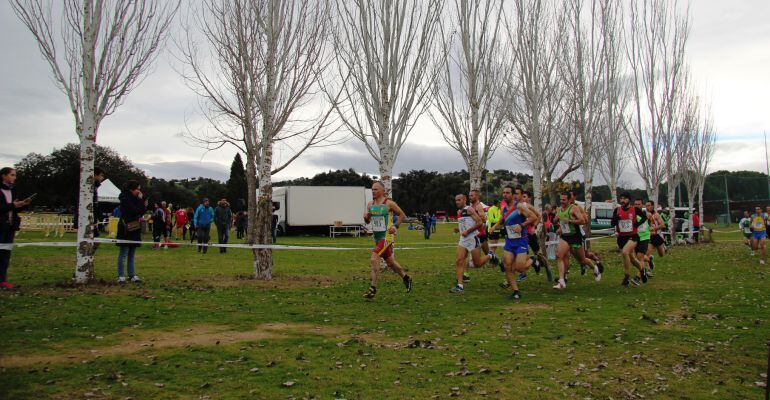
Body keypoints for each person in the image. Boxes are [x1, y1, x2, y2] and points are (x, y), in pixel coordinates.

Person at [362, 181, 413, 299]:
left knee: (374, 258)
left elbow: (402, 215)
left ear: (383, 191)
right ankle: (406, 278)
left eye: (376, 189)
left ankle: (372, 288)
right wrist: (366, 218)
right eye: (372, 189)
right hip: (377, 237)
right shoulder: (370, 204)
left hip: (387, 237)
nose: (373, 191)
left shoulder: (389, 204)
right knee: (391, 263)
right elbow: (368, 221)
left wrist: (395, 226)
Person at [491, 186, 539, 300]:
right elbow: (503, 220)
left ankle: (533, 259)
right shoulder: (504, 208)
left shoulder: (519, 206)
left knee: (519, 268)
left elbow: (533, 217)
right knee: (508, 266)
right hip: (509, 241)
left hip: (521, 240)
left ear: (513, 195)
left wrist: (521, 225)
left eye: (507, 193)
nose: (505, 195)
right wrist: (495, 226)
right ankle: (516, 291)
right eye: (503, 193)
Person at [449, 194, 501, 293]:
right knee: (459, 261)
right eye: (456, 200)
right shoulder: (459, 212)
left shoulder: (469, 210)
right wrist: (458, 229)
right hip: (463, 239)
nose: (457, 202)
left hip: (473, 238)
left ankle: (490, 255)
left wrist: (468, 231)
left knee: (477, 264)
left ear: (464, 200)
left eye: (459, 200)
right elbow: (464, 224)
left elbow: (479, 222)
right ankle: (460, 286)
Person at [552, 193, 601, 290]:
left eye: (564, 200)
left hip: (575, 237)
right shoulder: (559, 209)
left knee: (582, 260)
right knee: (559, 255)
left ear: (569, 200)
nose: (562, 201)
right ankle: (561, 281)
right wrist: (557, 223)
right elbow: (560, 221)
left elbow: (583, 221)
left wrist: (570, 221)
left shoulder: (574, 208)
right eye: (561, 199)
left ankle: (595, 268)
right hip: (565, 237)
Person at [0, 167, 32, 289]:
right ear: (3, 176)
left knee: (5, 255)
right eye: (12, 175)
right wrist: (12, 205)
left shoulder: (12, 191)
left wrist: (22, 205)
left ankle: (2, 280)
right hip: (1, 226)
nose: (14, 177)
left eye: (15, 175)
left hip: (10, 227)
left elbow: (13, 209)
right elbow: (3, 208)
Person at [611, 192, 648, 287]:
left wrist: (637, 224)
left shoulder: (634, 209)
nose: (622, 200)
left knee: (625, 252)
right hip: (622, 237)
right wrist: (616, 218)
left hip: (633, 236)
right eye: (621, 198)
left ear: (629, 200)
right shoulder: (617, 210)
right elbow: (612, 224)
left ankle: (626, 275)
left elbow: (644, 218)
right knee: (632, 259)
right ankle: (642, 270)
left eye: (625, 199)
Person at [115, 180, 146, 284]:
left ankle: (132, 274)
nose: (139, 192)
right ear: (131, 189)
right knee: (123, 252)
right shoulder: (125, 199)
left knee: (132, 253)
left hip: (135, 227)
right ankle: (120, 275)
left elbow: (141, 212)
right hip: (126, 228)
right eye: (137, 189)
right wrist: (141, 202)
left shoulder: (136, 199)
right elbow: (135, 210)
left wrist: (142, 204)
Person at [634, 199, 653, 278]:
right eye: (636, 204)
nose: (637, 206)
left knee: (639, 257)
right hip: (636, 237)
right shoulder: (632, 214)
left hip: (645, 237)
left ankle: (638, 277)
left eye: (639, 204)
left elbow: (651, 223)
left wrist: (651, 227)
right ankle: (649, 260)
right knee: (637, 257)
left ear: (642, 205)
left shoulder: (647, 214)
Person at [645, 201, 667, 268]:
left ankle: (664, 247)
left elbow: (663, 225)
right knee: (647, 254)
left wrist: (654, 228)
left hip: (657, 236)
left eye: (648, 205)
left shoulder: (656, 215)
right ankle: (648, 271)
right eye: (646, 206)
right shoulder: (645, 215)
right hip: (649, 237)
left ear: (652, 206)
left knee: (661, 254)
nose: (647, 207)